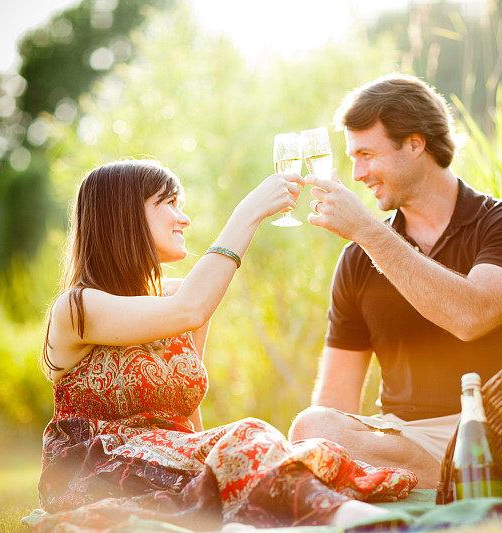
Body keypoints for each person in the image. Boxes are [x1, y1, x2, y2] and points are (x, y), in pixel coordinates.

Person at [34, 159, 415, 532]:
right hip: (98, 468)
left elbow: (189, 409)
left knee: (307, 453)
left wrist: (215, 452)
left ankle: (258, 517)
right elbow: (190, 308)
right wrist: (248, 213)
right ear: (123, 216)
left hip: (170, 455)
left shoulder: (183, 297)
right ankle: (342, 519)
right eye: (169, 204)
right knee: (247, 437)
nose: (184, 219)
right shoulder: (76, 307)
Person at [288, 75, 502, 488]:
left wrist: (369, 231)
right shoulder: (359, 258)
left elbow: (472, 314)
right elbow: (337, 396)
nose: (357, 174)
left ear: (415, 144)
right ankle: (455, 484)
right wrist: (321, 454)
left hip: (495, 427)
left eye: (367, 154)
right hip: (404, 442)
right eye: (352, 157)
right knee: (313, 427)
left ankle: (479, 480)